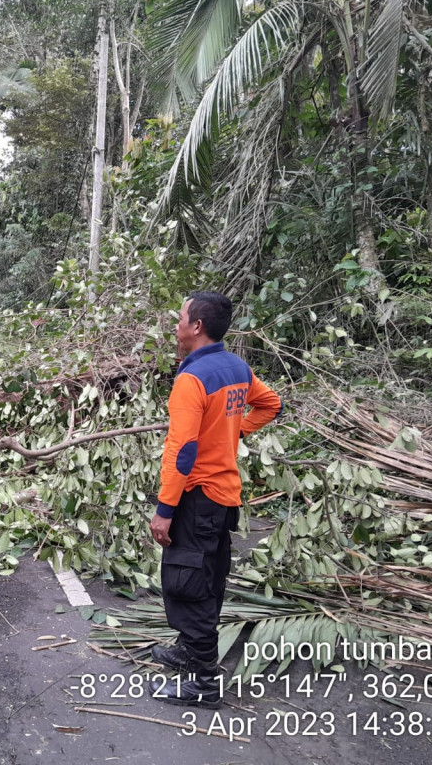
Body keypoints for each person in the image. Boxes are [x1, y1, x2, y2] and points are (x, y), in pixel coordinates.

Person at [148, 292, 282, 708]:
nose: (176, 324)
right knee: (207, 579)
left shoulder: (193, 379)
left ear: (197, 327)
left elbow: (182, 451)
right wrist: (234, 431)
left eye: (181, 317)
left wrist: (164, 510)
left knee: (189, 586)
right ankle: (190, 651)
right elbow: (271, 404)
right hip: (223, 498)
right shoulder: (236, 367)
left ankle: (204, 681)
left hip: (196, 496)